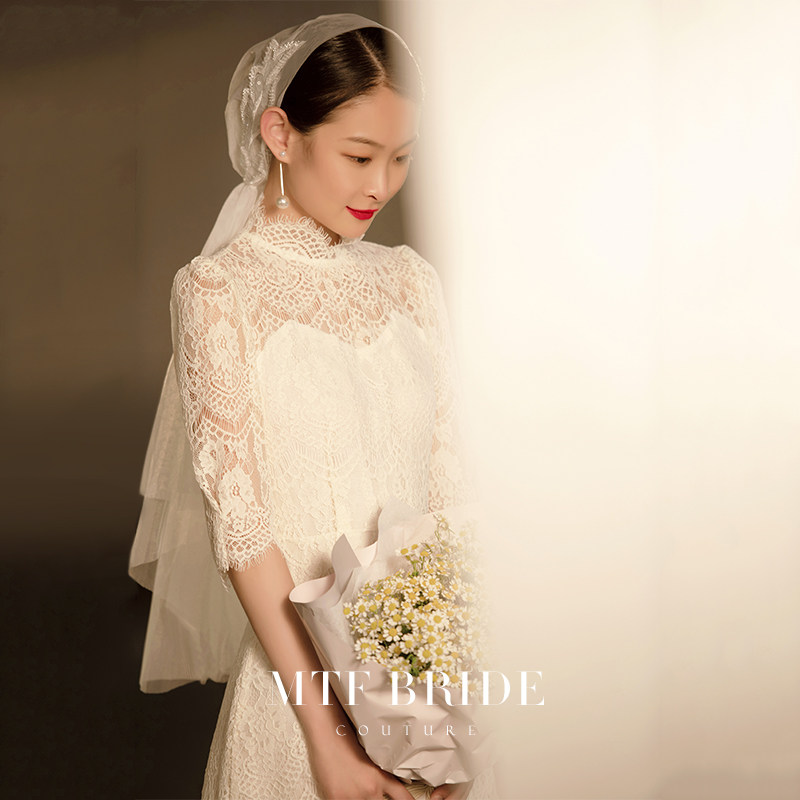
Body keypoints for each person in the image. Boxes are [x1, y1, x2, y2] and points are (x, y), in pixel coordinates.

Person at [129, 13, 500, 800]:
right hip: (299, 705)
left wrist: (456, 719)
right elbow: (243, 531)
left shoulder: (411, 281)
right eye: (359, 156)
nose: (381, 185)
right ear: (281, 134)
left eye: (401, 157)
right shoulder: (217, 292)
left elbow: (452, 501)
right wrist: (331, 741)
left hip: (427, 690)